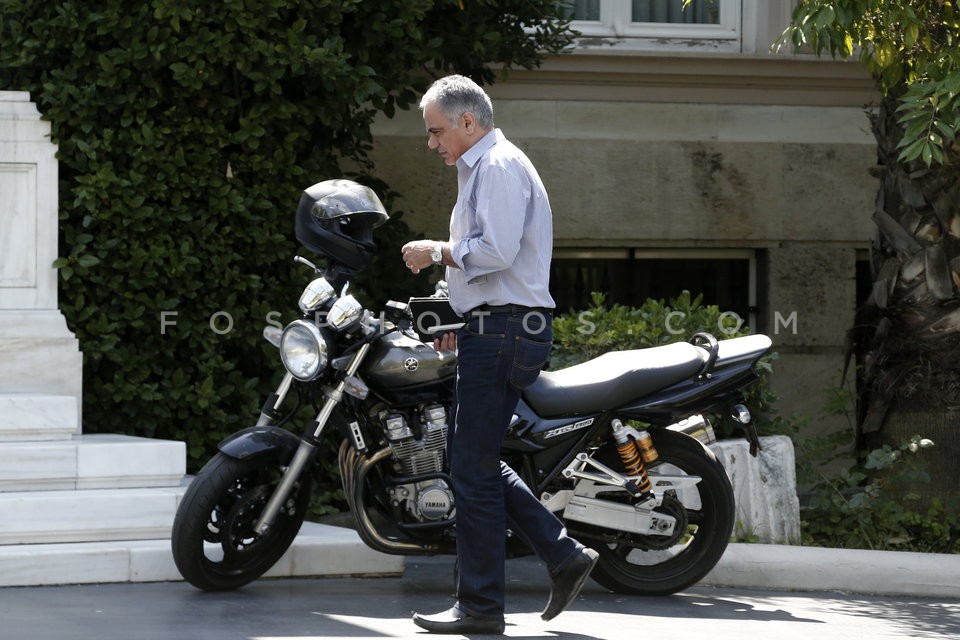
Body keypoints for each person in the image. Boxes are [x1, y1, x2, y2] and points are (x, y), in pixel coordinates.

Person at [401, 74, 598, 635]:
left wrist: (435, 250)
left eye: (436, 131)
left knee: (472, 466)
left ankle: (483, 607)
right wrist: (459, 317)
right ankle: (561, 555)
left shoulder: (498, 166)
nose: (432, 143)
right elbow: (493, 269)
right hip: (496, 327)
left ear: (468, 122)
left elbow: (495, 251)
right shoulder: (485, 168)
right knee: (476, 462)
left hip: (506, 330)